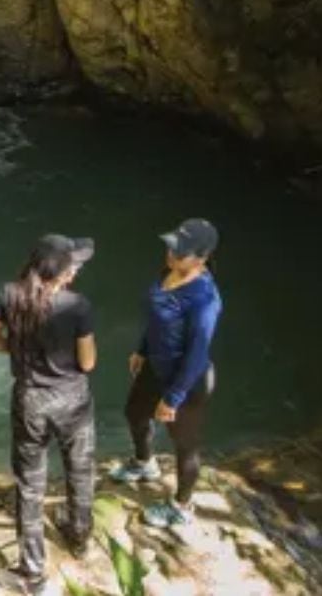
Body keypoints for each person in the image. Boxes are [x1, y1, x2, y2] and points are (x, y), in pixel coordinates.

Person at [0, 234, 98, 593]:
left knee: (30, 485)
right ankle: (78, 535)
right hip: (72, 400)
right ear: (63, 272)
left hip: (30, 399)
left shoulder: (8, 294)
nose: (76, 269)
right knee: (80, 469)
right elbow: (88, 362)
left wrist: (20, 354)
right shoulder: (78, 306)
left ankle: (32, 572)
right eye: (73, 265)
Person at [110, 218, 223, 529]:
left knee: (185, 445)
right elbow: (157, 320)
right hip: (155, 366)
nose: (172, 254)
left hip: (186, 380)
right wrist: (142, 350)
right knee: (134, 413)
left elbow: (197, 352)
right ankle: (145, 464)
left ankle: (182, 506)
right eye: (172, 246)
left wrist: (173, 399)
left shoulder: (204, 299)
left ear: (202, 258)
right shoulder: (169, 274)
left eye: (181, 251)